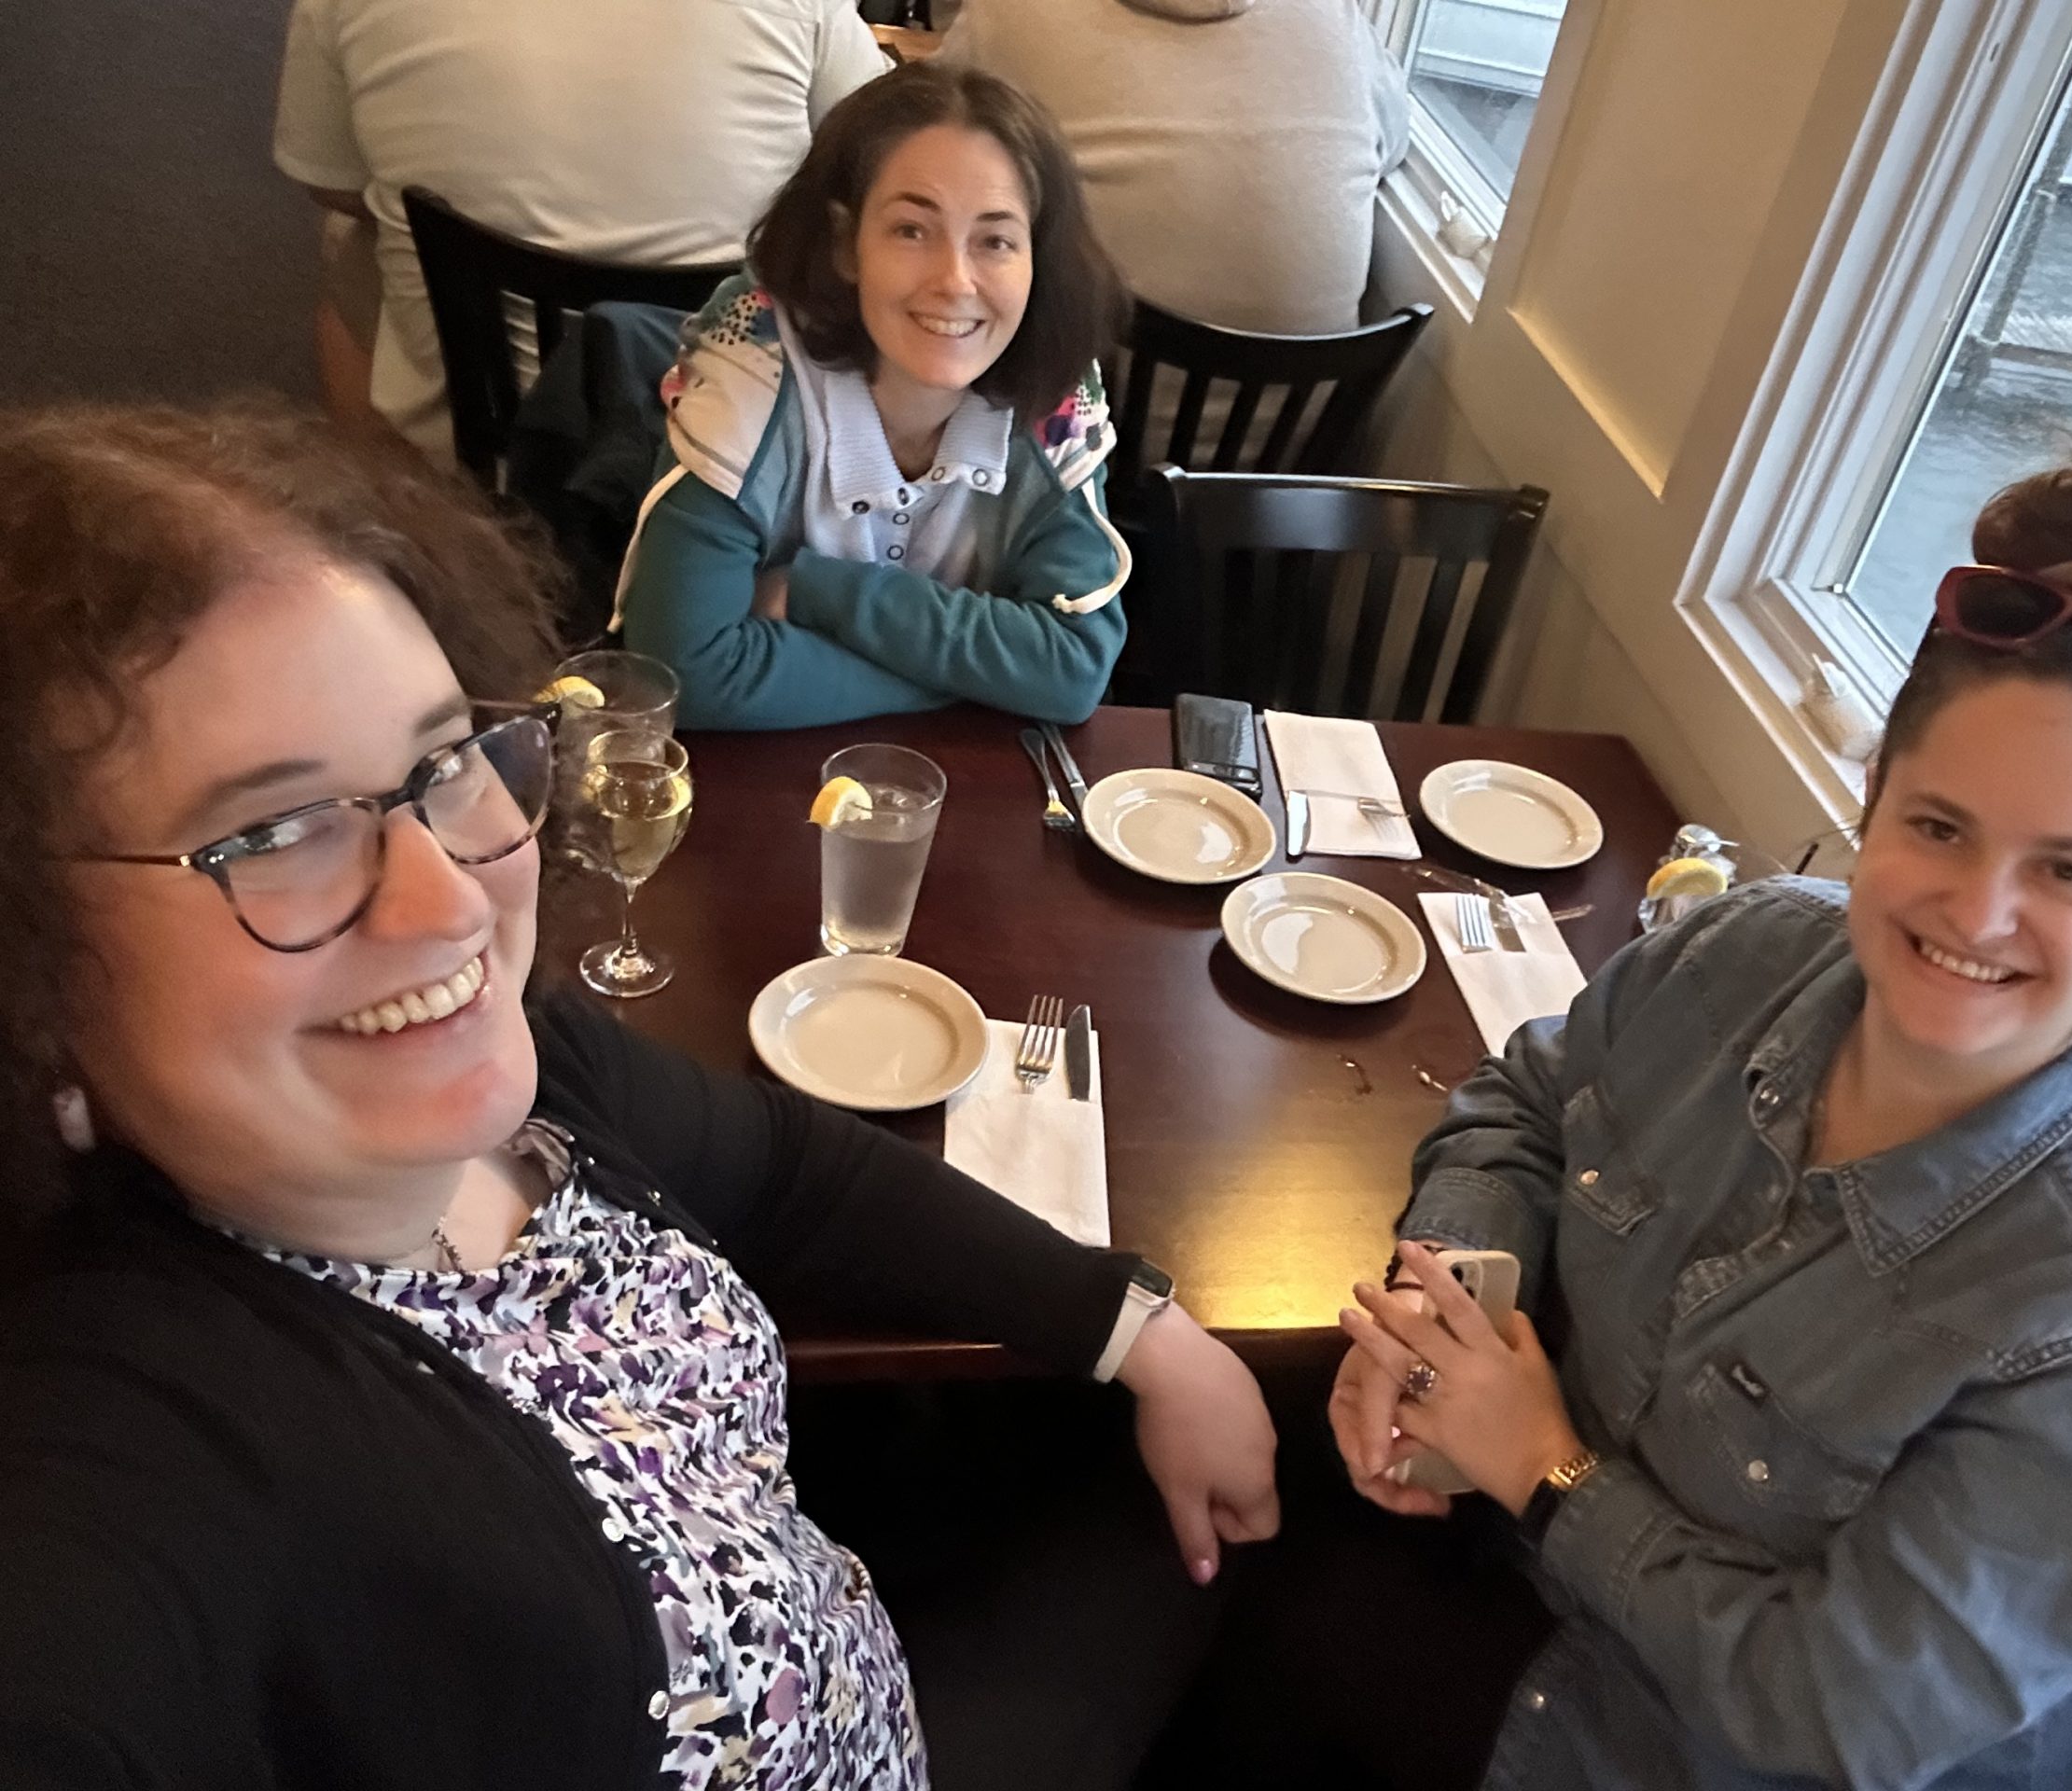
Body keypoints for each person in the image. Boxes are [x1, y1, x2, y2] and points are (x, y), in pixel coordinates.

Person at [0, 402, 1277, 1790]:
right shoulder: (129, 1431)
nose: (449, 901)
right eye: (278, 833)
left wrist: (1140, 1333)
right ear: (31, 963)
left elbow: (790, 1164)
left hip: (869, 1687)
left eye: (441, 766)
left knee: (1216, 1513)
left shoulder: (540, 1089)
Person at [1185, 452, 2072, 1789]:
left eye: (2068, 867)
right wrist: (1444, 1319)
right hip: (1493, 1602)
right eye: (1939, 828)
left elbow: (1834, 1715)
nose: (1978, 912)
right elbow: (1526, 1100)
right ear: (1872, 800)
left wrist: (1544, 1470)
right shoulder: (1750, 950)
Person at [615, 64, 1132, 729]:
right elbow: (684, 672)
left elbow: (1071, 669)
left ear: (1038, 259)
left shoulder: (1052, 393)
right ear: (845, 243)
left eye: (996, 241)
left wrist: (814, 591)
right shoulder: (753, 367)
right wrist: (987, 677)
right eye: (911, 230)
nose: (956, 281)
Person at [271, 0, 887, 456]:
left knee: (349, 243)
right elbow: (886, 152)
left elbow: (331, 181)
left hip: (484, 425)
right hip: (733, 416)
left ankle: (396, 523)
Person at [937, 0, 1409, 337]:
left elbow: (919, 140)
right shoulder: (1341, 20)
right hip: (1296, 463)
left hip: (1078, 442)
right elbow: (1392, 146)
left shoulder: (1009, 14)